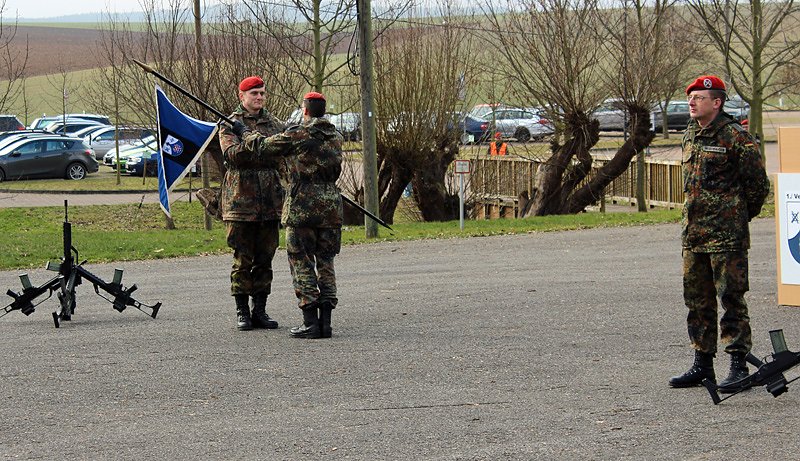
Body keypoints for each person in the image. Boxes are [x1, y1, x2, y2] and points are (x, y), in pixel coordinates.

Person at [668, 75, 770, 390]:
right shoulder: (690, 135)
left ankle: (739, 366)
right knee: (697, 300)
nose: (692, 102)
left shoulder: (736, 137)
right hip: (694, 236)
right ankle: (702, 364)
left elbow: (758, 186)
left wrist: (737, 217)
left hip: (726, 237)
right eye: (691, 97)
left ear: (717, 102)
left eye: (700, 97)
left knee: (731, 299)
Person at [231, 91, 343, 339]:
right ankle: (326, 323)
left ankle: (310, 322)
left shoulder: (298, 134)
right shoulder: (337, 136)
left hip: (302, 206)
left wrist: (242, 131)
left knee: (301, 262)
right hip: (331, 209)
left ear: (305, 111)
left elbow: (262, 146)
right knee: (326, 263)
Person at [218, 76, 286, 331]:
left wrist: (253, 139)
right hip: (240, 202)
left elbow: (281, 151)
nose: (259, 97)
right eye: (254, 93)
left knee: (265, 258)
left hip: (270, 202)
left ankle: (260, 310)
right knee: (242, 259)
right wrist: (257, 144)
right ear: (242, 96)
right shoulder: (229, 124)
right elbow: (233, 155)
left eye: (262, 93)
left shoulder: (274, 123)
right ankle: (242, 311)